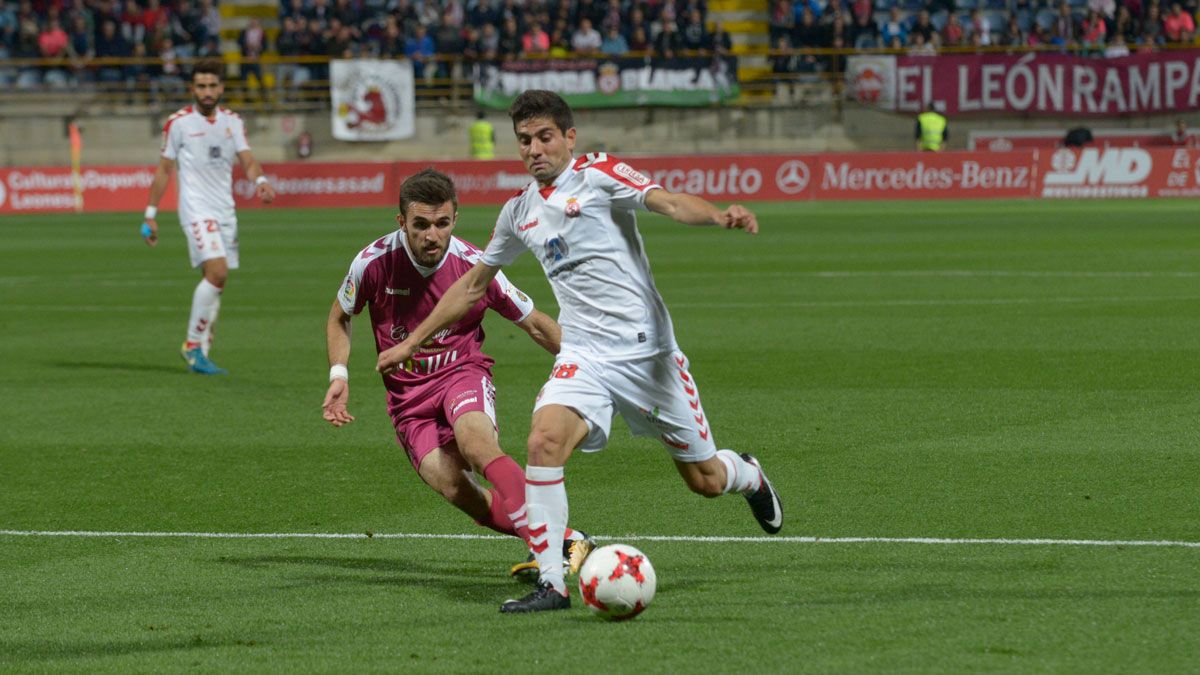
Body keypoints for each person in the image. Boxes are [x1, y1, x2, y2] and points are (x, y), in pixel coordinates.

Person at [375, 90, 784, 614]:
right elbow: (473, 286)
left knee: (704, 480)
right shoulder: (519, 211)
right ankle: (552, 582)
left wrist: (717, 216)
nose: (534, 149)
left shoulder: (599, 174)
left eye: (545, 137)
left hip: (647, 356)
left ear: (569, 137)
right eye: (525, 140)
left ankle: (747, 474)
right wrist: (412, 340)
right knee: (543, 440)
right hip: (584, 353)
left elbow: (670, 201)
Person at [321, 168, 592, 577]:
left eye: (442, 223)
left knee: (477, 447)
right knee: (454, 487)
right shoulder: (372, 264)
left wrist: (592, 366)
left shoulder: (474, 268)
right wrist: (338, 373)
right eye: (421, 225)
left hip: (460, 375)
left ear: (455, 220)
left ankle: (549, 549)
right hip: (407, 400)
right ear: (402, 223)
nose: (432, 235)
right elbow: (340, 316)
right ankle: (569, 538)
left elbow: (534, 323)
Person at [141, 59, 276, 374]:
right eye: (201, 86)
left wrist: (260, 181)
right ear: (192, 88)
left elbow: (248, 159)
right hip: (196, 209)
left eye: (212, 85)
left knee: (217, 279)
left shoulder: (233, 122)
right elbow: (164, 170)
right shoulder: (178, 123)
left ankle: (202, 349)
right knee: (218, 272)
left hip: (225, 211)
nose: (206, 92)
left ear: (221, 88)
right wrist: (150, 214)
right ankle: (191, 345)